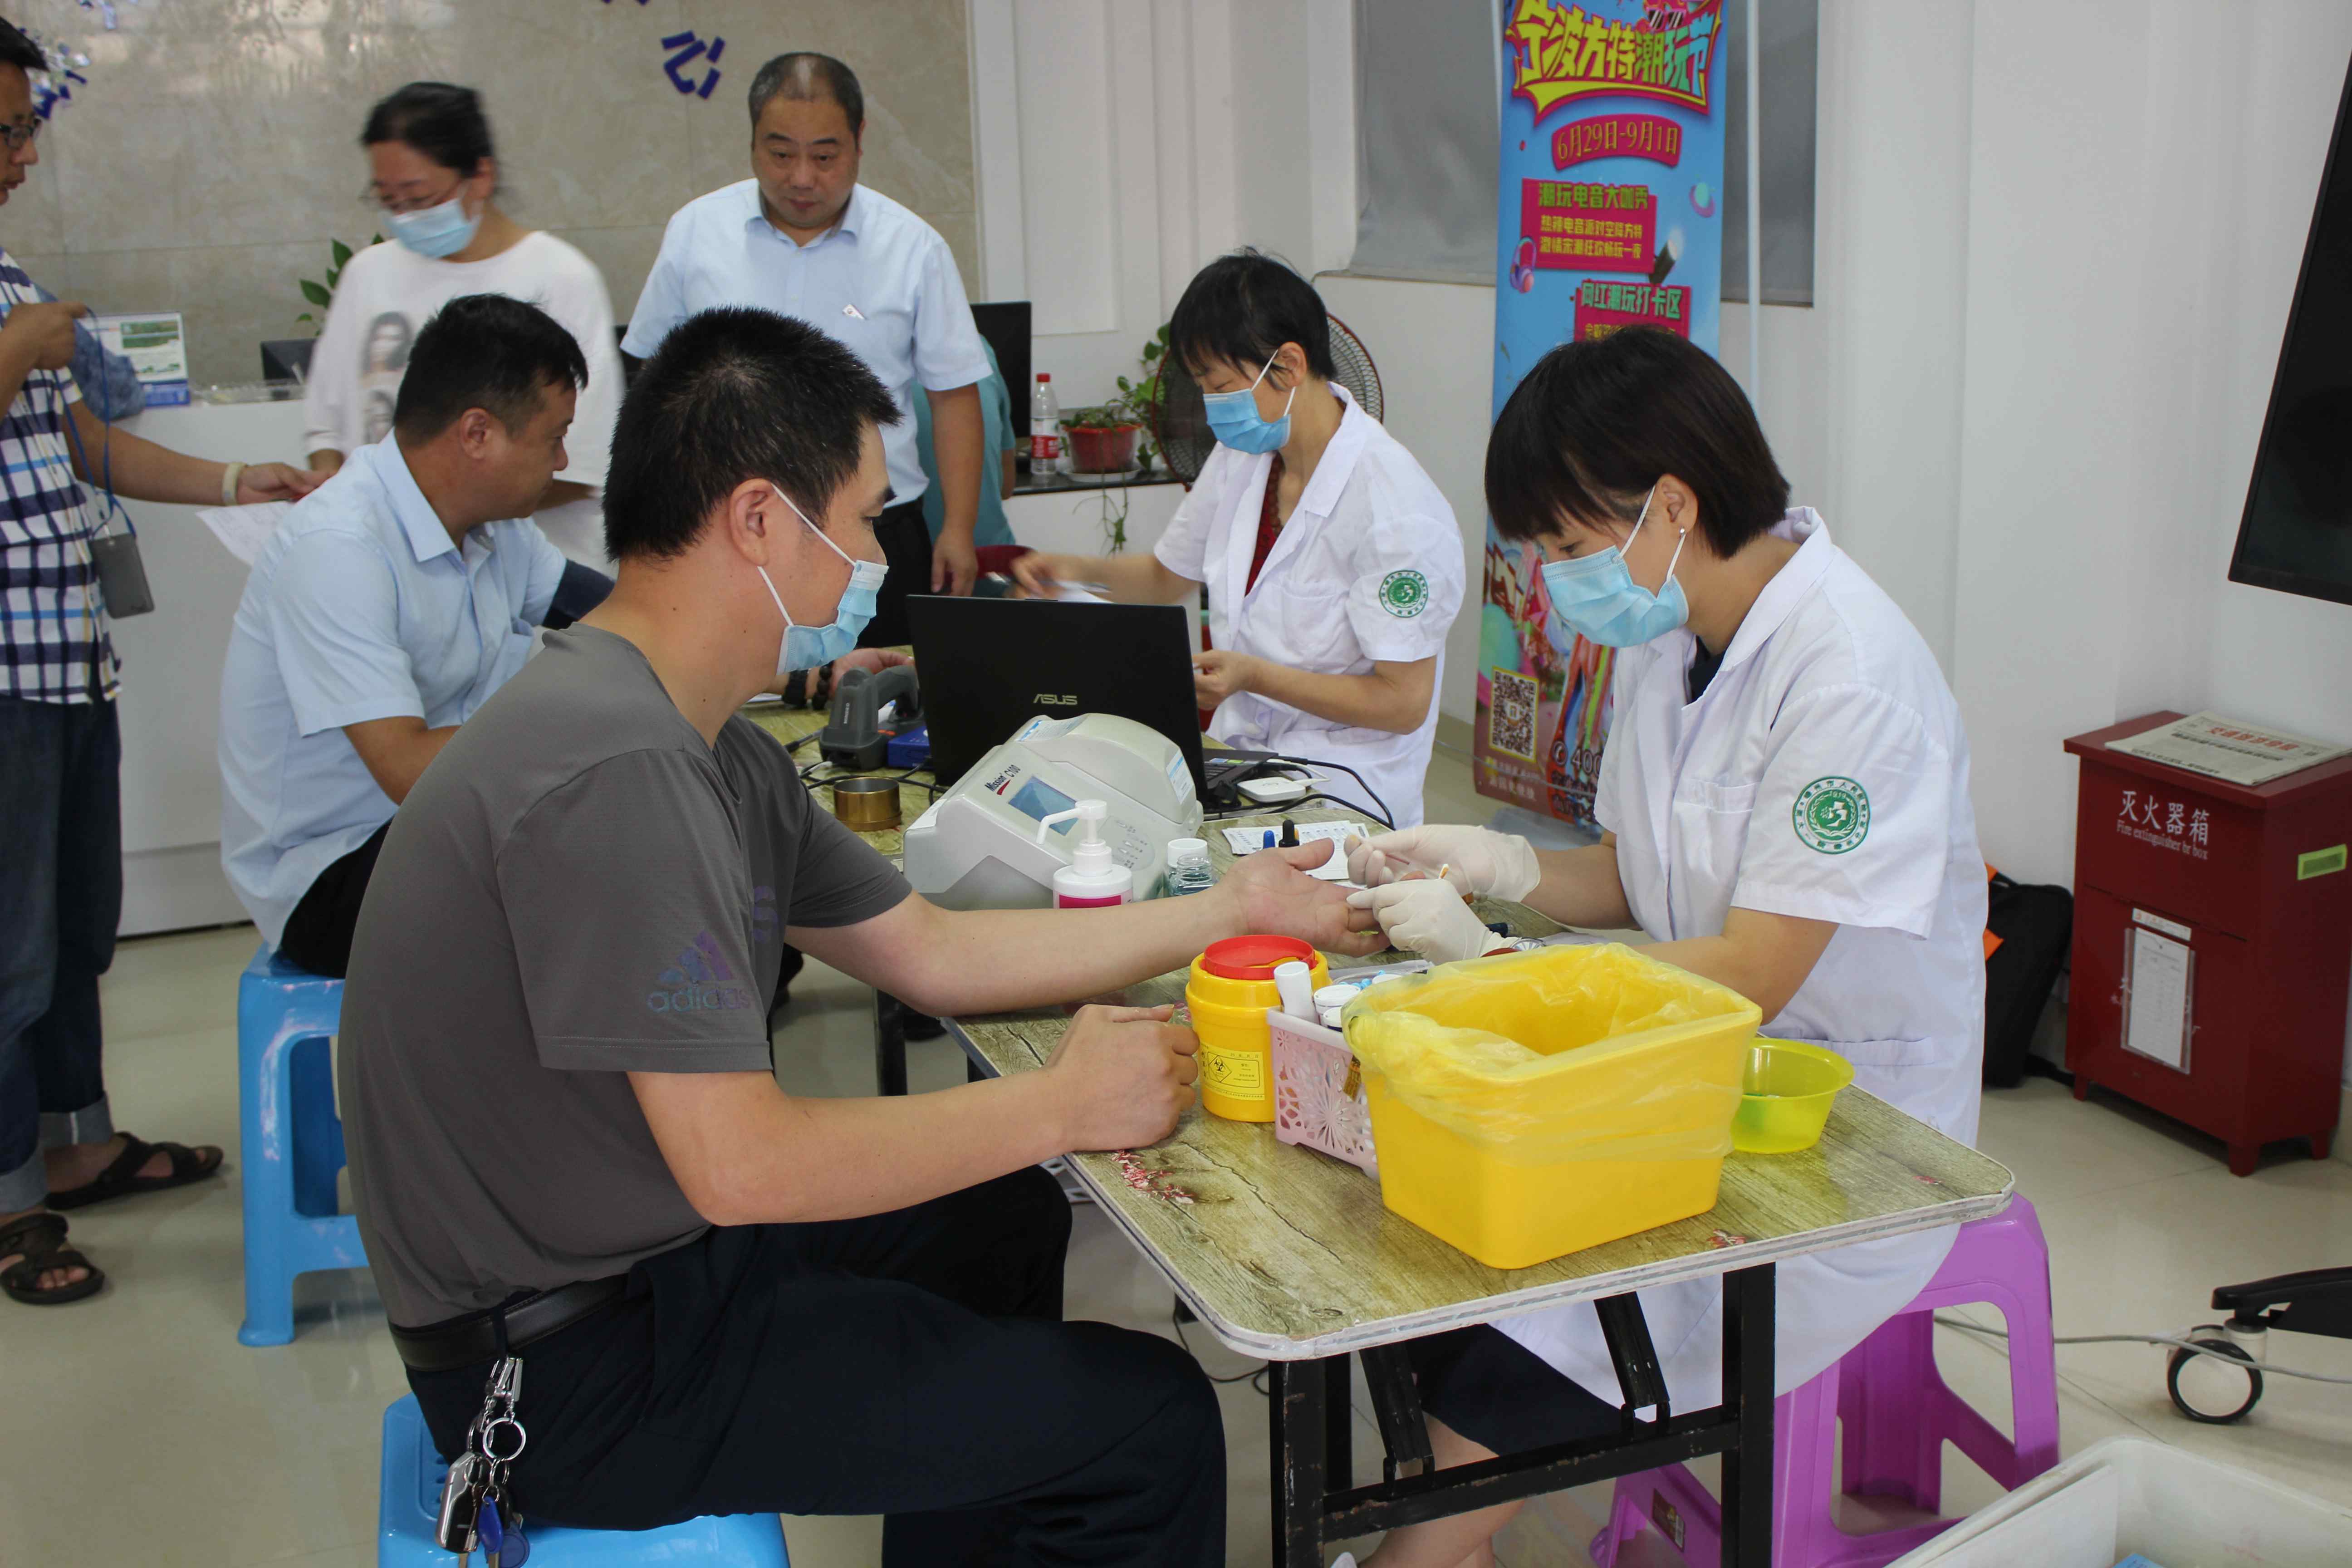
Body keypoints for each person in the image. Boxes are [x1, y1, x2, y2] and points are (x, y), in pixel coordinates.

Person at [339, 304, 1381, 1565]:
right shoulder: (620, 773)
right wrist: (1059, 1105)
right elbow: (743, 1168)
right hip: (563, 1369)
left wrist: (1231, 907)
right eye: (863, 518)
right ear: (759, 520)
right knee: (1147, 1424)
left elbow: (931, 950)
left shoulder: (698, 739)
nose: (875, 559)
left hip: (641, 1264)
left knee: (1002, 1216)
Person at [1340, 328, 1986, 1568]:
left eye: (1568, 546)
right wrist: (1495, 864)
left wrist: (1501, 967)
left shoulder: (1849, 679)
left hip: (1835, 1126)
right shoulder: (1670, 632)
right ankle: (1444, 1524)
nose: (1556, 581)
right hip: (1684, 1073)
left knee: (1532, 1339)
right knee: (1431, 1237)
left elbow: (1753, 972)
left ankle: (1426, 1540)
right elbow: (1635, 876)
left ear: (1673, 505)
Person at [0, 15, 321, 1306]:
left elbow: (84, 443)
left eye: (26, 127)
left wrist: (240, 479)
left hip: (60, 653)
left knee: (75, 923)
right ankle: (10, 1197)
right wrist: (15, 354)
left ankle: (74, 1141)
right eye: (6, 131)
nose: (25, 153)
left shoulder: (7, 274)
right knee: (8, 943)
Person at [220, 295, 609, 980]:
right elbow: (405, 769)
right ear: (478, 433)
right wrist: (589, 731)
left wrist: (782, 670)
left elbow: (615, 617)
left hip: (442, 823)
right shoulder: (339, 546)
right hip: (335, 871)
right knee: (616, 852)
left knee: (657, 822)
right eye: (553, 437)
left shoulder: (494, 524)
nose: (561, 460)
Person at [1013, 250, 1465, 828]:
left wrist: (1254, 677)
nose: (1211, 408)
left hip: (1347, 791)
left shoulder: (1396, 508)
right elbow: (1166, 577)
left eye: (1221, 385)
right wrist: (1073, 572)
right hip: (1241, 764)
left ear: (1290, 364)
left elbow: (1402, 703)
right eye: (1202, 386)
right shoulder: (1245, 458)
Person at [622, 51, 993, 638]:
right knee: (739, 690)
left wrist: (958, 529)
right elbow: (652, 375)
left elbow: (954, 396)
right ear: (752, 142)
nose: (801, 178)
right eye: (780, 154)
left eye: (824, 156)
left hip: (875, 533)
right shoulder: (697, 232)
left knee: (884, 687)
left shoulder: (913, 248)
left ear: (859, 141)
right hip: (728, 533)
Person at [301, 82, 625, 569]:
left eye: (419, 197)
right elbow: (326, 430)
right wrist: (336, 492)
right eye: (388, 200)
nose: (404, 216)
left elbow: (580, 465)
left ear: (480, 176)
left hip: (537, 570)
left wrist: (420, 511)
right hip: (388, 563)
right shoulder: (367, 275)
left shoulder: (560, 277)